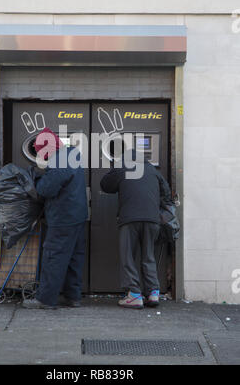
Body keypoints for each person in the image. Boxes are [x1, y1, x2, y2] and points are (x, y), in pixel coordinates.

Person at [23, 127, 88, 310]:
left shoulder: (60, 161)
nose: (41, 156)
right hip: (78, 216)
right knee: (74, 258)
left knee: (54, 257)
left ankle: (45, 299)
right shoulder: (72, 154)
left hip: (63, 218)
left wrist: (37, 180)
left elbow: (46, 189)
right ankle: (72, 297)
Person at [100, 149, 172, 309]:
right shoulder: (154, 170)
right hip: (153, 220)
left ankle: (133, 294)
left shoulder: (124, 168)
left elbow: (105, 185)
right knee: (148, 256)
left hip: (130, 219)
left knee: (128, 257)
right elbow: (166, 194)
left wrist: (116, 167)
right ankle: (153, 292)